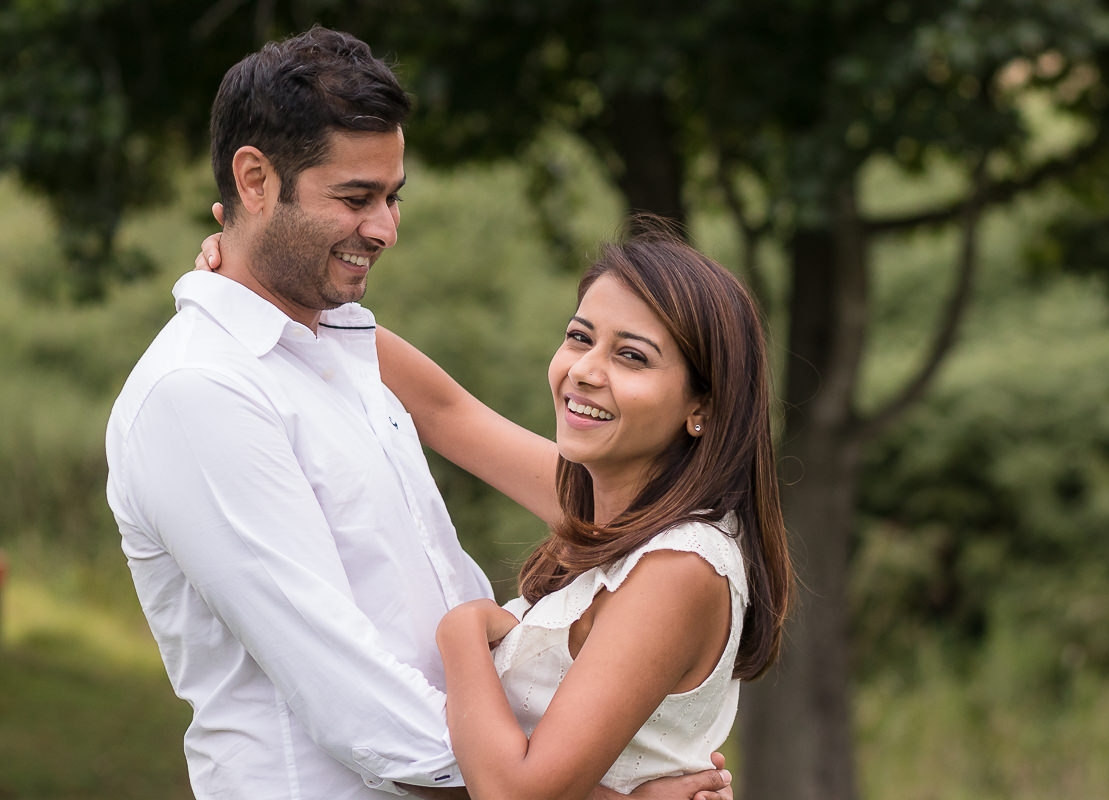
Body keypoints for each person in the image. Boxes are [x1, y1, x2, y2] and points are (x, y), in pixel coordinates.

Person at [110, 26, 732, 800]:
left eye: (392, 197)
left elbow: (450, 412)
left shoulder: (330, 347)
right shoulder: (199, 393)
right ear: (255, 180)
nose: (385, 229)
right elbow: (352, 698)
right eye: (355, 198)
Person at [201, 218, 792, 798]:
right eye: (580, 337)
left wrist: (464, 629)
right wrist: (267, 282)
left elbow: (516, 794)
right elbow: (445, 412)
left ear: (703, 409)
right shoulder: (605, 509)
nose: (585, 371)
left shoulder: (678, 567)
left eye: (632, 357)